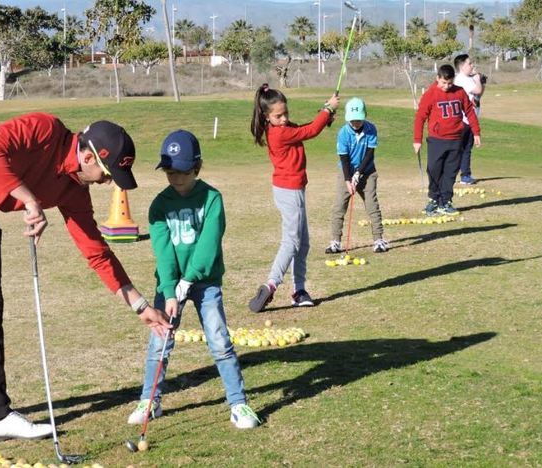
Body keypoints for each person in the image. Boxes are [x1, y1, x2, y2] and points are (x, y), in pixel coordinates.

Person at [0, 112, 171, 441]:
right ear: (89, 157)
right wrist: (29, 198)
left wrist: (141, 307)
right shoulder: (43, 128)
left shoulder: (73, 190)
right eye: (107, 175)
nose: (108, 183)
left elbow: (97, 253)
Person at [127, 130, 260, 429]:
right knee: (159, 343)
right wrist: (170, 290)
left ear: (197, 168)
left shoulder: (212, 198)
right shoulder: (158, 205)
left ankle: (238, 404)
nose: (175, 179)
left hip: (206, 281)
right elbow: (163, 252)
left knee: (219, 341)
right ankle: (150, 401)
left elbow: (209, 243)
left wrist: (189, 280)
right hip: (169, 284)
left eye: (182, 173)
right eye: (170, 173)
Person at [247, 83, 340, 313]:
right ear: (267, 117)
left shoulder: (283, 128)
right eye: (278, 116)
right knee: (292, 242)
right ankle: (271, 283)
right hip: (289, 191)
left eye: (286, 113)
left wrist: (325, 113)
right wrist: (327, 110)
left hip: (293, 190)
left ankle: (299, 290)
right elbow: (309, 132)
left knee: (303, 243)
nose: (284, 118)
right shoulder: (279, 133)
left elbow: (306, 128)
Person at [413, 65, 482, 216]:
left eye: (449, 83)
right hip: (437, 140)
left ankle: (446, 201)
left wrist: (476, 132)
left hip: (456, 139)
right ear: (437, 78)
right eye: (443, 83)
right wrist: (417, 140)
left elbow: (470, 112)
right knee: (434, 170)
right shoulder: (430, 94)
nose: (446, 86)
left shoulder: (459, 92)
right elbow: (420, 118)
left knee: (450, 172)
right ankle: (434, 200)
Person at [325, 97, 389, 255]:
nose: (355, 123)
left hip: (367, 171)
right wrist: (348, 179)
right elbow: (344, 158)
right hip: (346, 171)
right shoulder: (343, 133)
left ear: (364, 116)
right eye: (352, 120)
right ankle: (335, 241)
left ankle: (379, 239)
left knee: (372, 204)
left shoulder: (371, 129)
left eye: (358, 120)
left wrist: (359, 173)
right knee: (339, 205)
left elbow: (369, 153)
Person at [454, 53, 486, 185]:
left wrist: (481, 82)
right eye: (469, 63)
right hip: (463, 119)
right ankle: (456, 174)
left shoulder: (469, 78)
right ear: (462, 66)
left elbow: (479, 94)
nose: (472, 65)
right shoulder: (461, 79)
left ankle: (465, 175)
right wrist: (478, 79)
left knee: (467, 148)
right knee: (459, 149)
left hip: (471, 119)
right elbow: (477, 90)